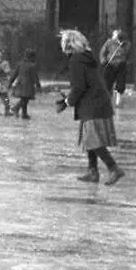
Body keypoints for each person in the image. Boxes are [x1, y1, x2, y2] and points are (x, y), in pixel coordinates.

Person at [57, 29, 123, 184]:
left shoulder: (76, 60)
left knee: (92, 140)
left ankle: (114, 168)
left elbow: (79, 87)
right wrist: (69, 98)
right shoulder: (87, 57)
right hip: (98, 102)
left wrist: (67, 102)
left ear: (68, 44)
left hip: (92, 105)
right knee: (89, 139)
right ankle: (92, 171)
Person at [99, 29, 133, 108]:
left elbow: (129, 55)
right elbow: (103, 52)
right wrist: (103, 61)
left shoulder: (126, 44)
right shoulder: (109, 43)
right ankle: (107, 101)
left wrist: (127, 63)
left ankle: (118, 101)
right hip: (110, 64)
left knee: (121, 84)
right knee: (107, 83)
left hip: (121, 65)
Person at [9, 49, 42, 119]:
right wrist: (38, 85)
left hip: (20, 84)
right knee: (25, 100)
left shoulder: (20, 64)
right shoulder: (32, 66)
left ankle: (24, 114)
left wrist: (10, 82)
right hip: (28, 85)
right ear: (32, 57)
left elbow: (14, 74)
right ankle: (15, 108)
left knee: (24, 99)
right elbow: (35, 77)